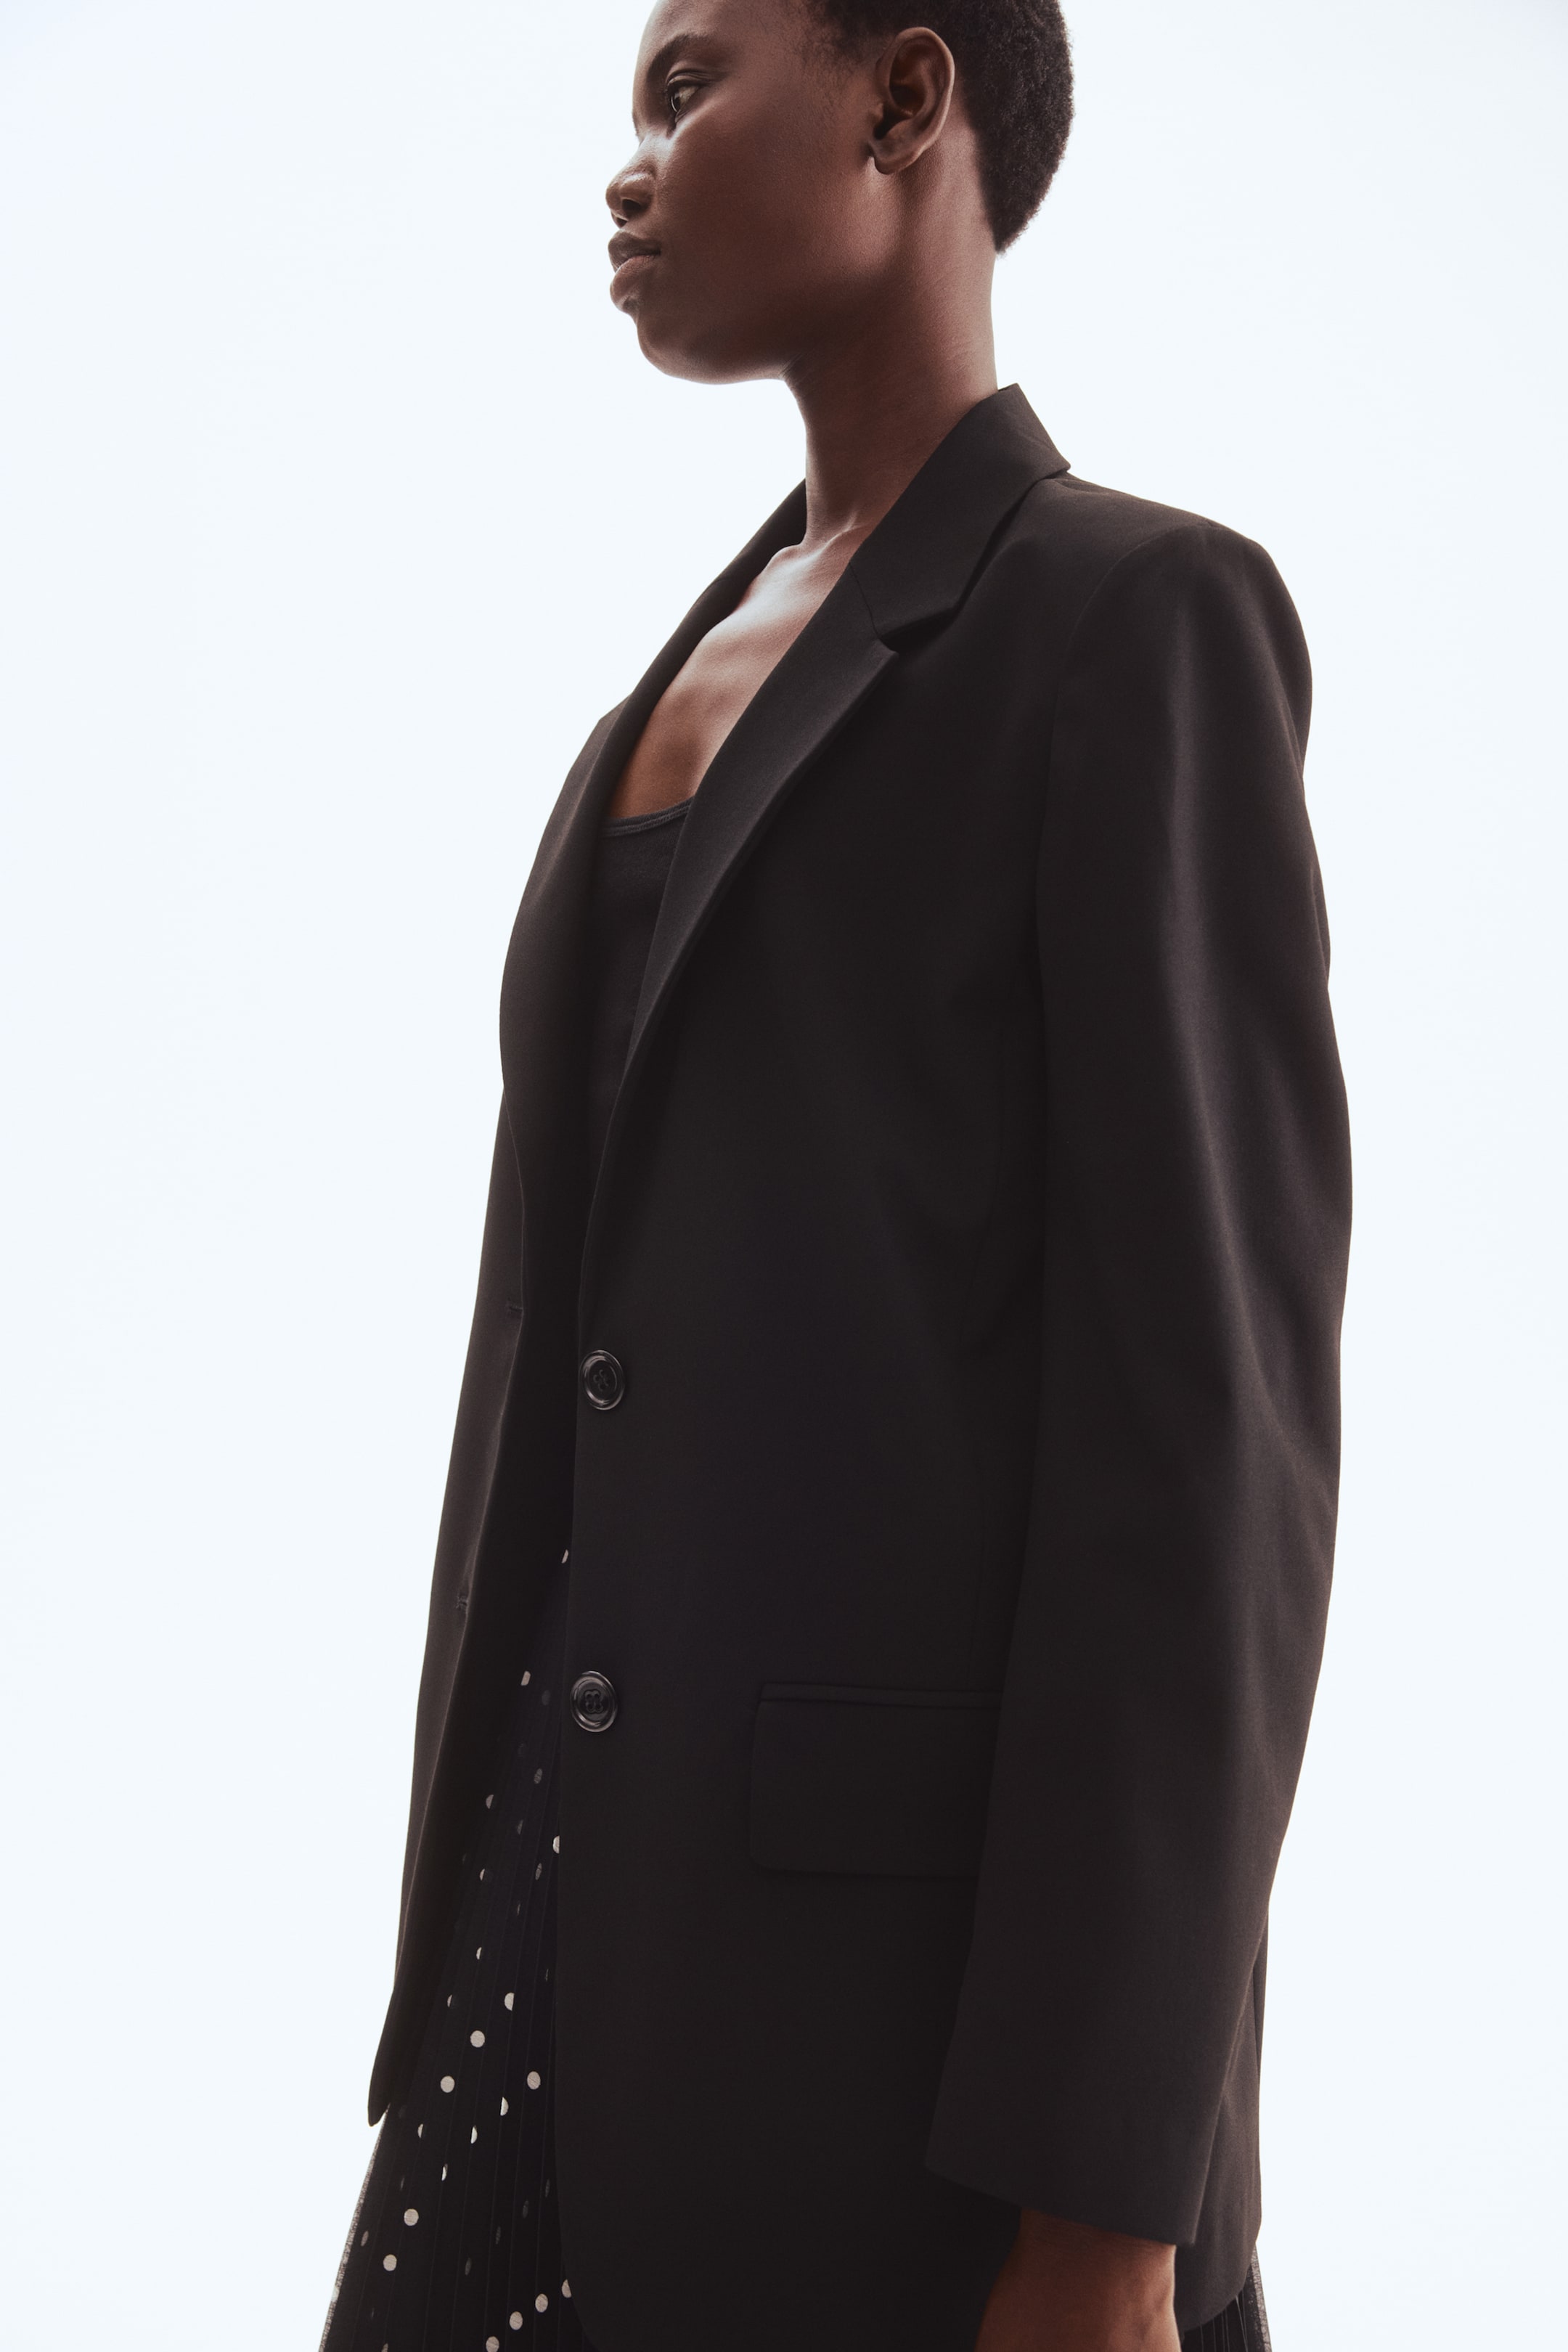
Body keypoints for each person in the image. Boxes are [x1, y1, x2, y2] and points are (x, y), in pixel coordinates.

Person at [319, 3, 1350, 2348]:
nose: (632, 166)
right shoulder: (656, 696)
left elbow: (1205, 1465)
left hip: (906, 2079)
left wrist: (1106, 2200)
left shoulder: (1130, 625)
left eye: (688, 87)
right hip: (546, 1961)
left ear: (905, 101)